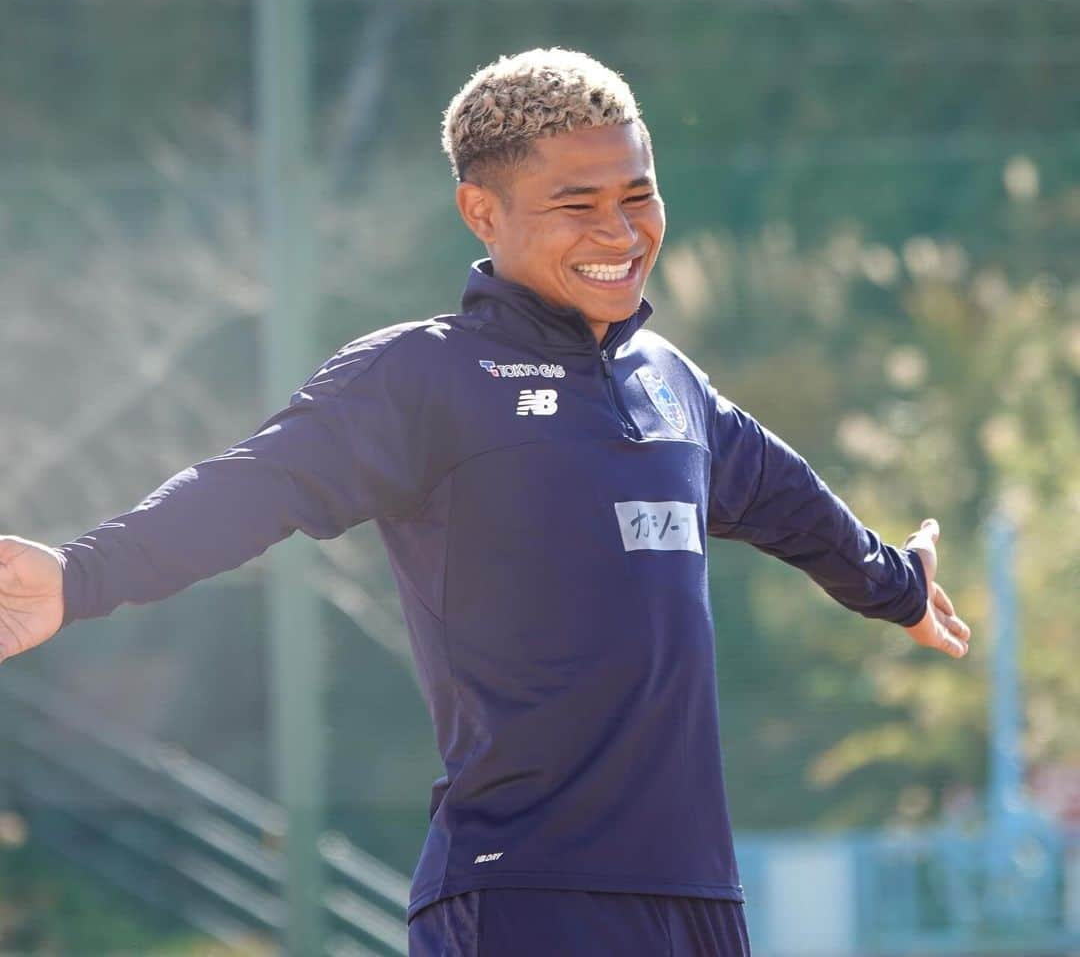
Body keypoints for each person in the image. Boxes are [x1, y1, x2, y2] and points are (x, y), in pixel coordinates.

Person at [0, 48, 970, 956]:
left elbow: (789, 501)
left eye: (639, 195)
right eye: (576, 203)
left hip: (696, 896)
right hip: (520, 893)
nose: (620, 232)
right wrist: (82, 576)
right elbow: (252, 488)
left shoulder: (671, 383)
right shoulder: (423, 377)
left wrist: (898, 586)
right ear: (482, 212)